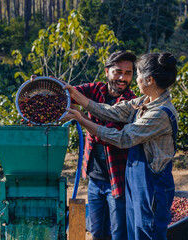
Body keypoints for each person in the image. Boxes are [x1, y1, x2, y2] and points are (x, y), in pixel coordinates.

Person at [64, 52, 178, 240]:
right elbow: (112, 111)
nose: (136, 79)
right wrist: (76, 96)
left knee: (147, 233)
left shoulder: (160, 114)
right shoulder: (143, 102)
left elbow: (123, 138)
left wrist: (82, 120)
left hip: (153, 186)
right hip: (137, 182)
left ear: (149, 80)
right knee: (134, 233)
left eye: (137, 74)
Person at [31, 50, 137, 240]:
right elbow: (67, 93)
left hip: (118, 180)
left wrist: (81, 118)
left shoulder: (131, 103)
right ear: (107, 71)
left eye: (128, 73)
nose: (122, 78)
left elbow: (107, 134)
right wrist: (45, 86)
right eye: (118, 72)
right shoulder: (96, 89)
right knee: (97, 232)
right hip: (95, 179)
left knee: (119, 234)